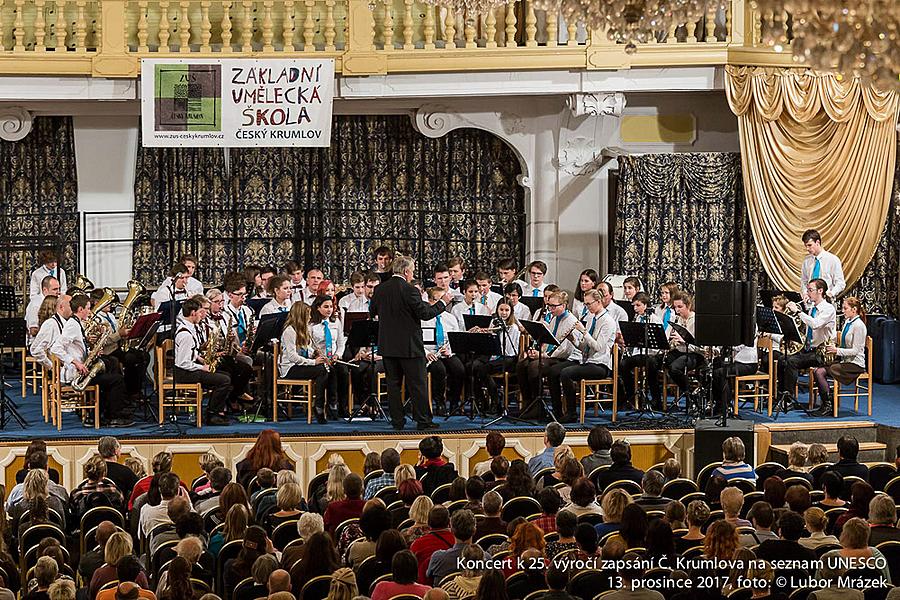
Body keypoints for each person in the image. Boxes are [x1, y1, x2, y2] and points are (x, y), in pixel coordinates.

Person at [369, 255, 452, 430]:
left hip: (388, 345)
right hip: (409, 347)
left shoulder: (380, 289)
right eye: (412, 271)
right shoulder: (409, 290)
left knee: (393, 385)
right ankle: (423, 421)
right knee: (417, 384)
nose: (412, 274)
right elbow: (425, 313)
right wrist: (443, 302)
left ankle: (397, 421)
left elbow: (373, 311)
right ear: (406, 272)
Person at [50, 294, 132, 427]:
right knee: (116, 380)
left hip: (81, 368)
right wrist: (76, 362)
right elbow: (56, 348)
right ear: (81, 309)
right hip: (76, 374)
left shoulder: (76, 323)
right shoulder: (72, 325)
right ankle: (112, 415)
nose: (90, 311)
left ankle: (100, 414)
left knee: (111, 364)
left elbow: (76, 348)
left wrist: (92, 353)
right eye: (88, 308)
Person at [552, 289, 617, 422]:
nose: (587, 307)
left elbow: (598, 347)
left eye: (589, 304)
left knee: (566, 373)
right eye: (585, 304)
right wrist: (573, 339)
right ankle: (558, 411)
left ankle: (572, 413)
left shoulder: (608, 321)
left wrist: (583, 331)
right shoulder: (593, 318)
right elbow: (584, 348)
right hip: (587, 361)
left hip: (600, 365)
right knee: (555, 371)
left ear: (598, 302)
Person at [516, 290, 578, 419]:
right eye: (549, 305)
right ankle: (529, 403)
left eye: (553, 306)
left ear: (564, 305)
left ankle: (539, 406)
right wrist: (537, 351)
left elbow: (565, 350)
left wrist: (544, 355)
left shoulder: (571, 321)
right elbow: (547, 339)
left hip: (564, 358)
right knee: (522, 364)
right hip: (551, 355)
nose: (550, 308)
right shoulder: (555, 318)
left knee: (535, 366)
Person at [172, 298, 231, 426]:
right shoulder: (185, 335)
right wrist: (202, 367)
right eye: (200, 312)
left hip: (190, 369)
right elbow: (183, 363)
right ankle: (212, 415)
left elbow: (191, 352)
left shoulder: (191, 328)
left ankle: (216, 411)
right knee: (223, 380)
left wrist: (199, 358)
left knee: (226, 376)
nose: (202, 315)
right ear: (193, 313)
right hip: (185, 373)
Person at [779, 278, 836, 409]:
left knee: (791, 362)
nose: (808, 293)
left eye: (811, 290)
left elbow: (815, 324)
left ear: (820, 291)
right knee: (783, 359)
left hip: (822, 352)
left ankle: (789, 399)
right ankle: (782, 395)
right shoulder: (812, 308)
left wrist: (798, 312)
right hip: (809, 349)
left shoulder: (828, 309)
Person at [811, 296, 867, 416]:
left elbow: (855, 351)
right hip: (844, 361)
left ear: (854, 309)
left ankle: (829, 403)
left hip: (855, 364)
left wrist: (836, 351)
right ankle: (828, 402)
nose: (843, 311)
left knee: (831, 368)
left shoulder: (859, 326)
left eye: (845, 308)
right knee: (818, 371)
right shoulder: (848, 322)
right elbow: (842, 341)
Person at [471, 300, 521, 414]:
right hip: (494, 356)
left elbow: (509, 351)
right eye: (501, 310)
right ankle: (482, 401)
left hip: (508, 358)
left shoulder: (513, 328)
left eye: (507, 310)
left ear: (511, 312)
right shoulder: (494, 323)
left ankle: (495, 401)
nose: (504, 313)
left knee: (483, 370)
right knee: (472, 367)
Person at [421, 287, 465, 415]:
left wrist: (449, 351)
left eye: (443, 300)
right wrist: (426, 353)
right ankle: (440, 402)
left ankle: (454, 402)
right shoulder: (423, 318)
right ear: (429, 301)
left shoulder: (450, 318)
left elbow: (455, 339)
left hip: (446, 353)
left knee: (459, 369)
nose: (442, 304)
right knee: (439, 370)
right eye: (438, 300)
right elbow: (417, 340)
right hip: (430, 354)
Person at [426, 510, 489, 584]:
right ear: (474, 531)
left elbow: (428, 576)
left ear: (451, 530)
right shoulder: (486, 559)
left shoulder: (438, 558)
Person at [800, 229, 845, 301]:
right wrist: (805, 293)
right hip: (810, 304)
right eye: (806, 246)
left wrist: (831, 293)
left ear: (817, 242)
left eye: (809, 245)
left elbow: (840, 283)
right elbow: (804, 281)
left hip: (827, 303)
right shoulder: (806, 261)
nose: (807, 248)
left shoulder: (833, 259)